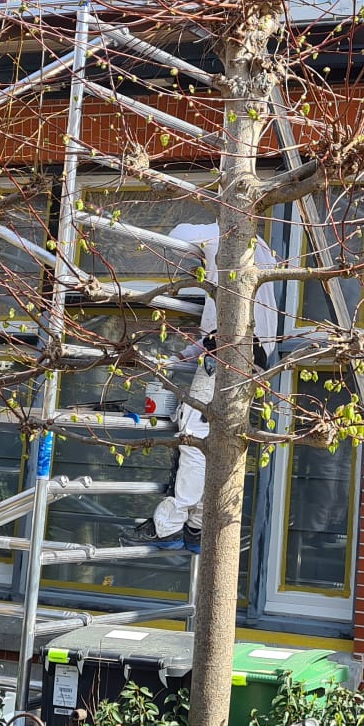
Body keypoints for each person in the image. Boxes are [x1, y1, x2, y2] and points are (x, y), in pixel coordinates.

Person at [129, 221, 279, 553]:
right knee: (210, 441)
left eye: (196, 259)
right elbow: (213, 332)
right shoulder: (249, 257)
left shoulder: (224, 241)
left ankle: (168, 525)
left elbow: (176, 236)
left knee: (194, 437)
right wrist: (183, 355)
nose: (196, 268)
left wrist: (200, 240)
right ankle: (198, 526)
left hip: (231, 356)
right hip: (243, 355)